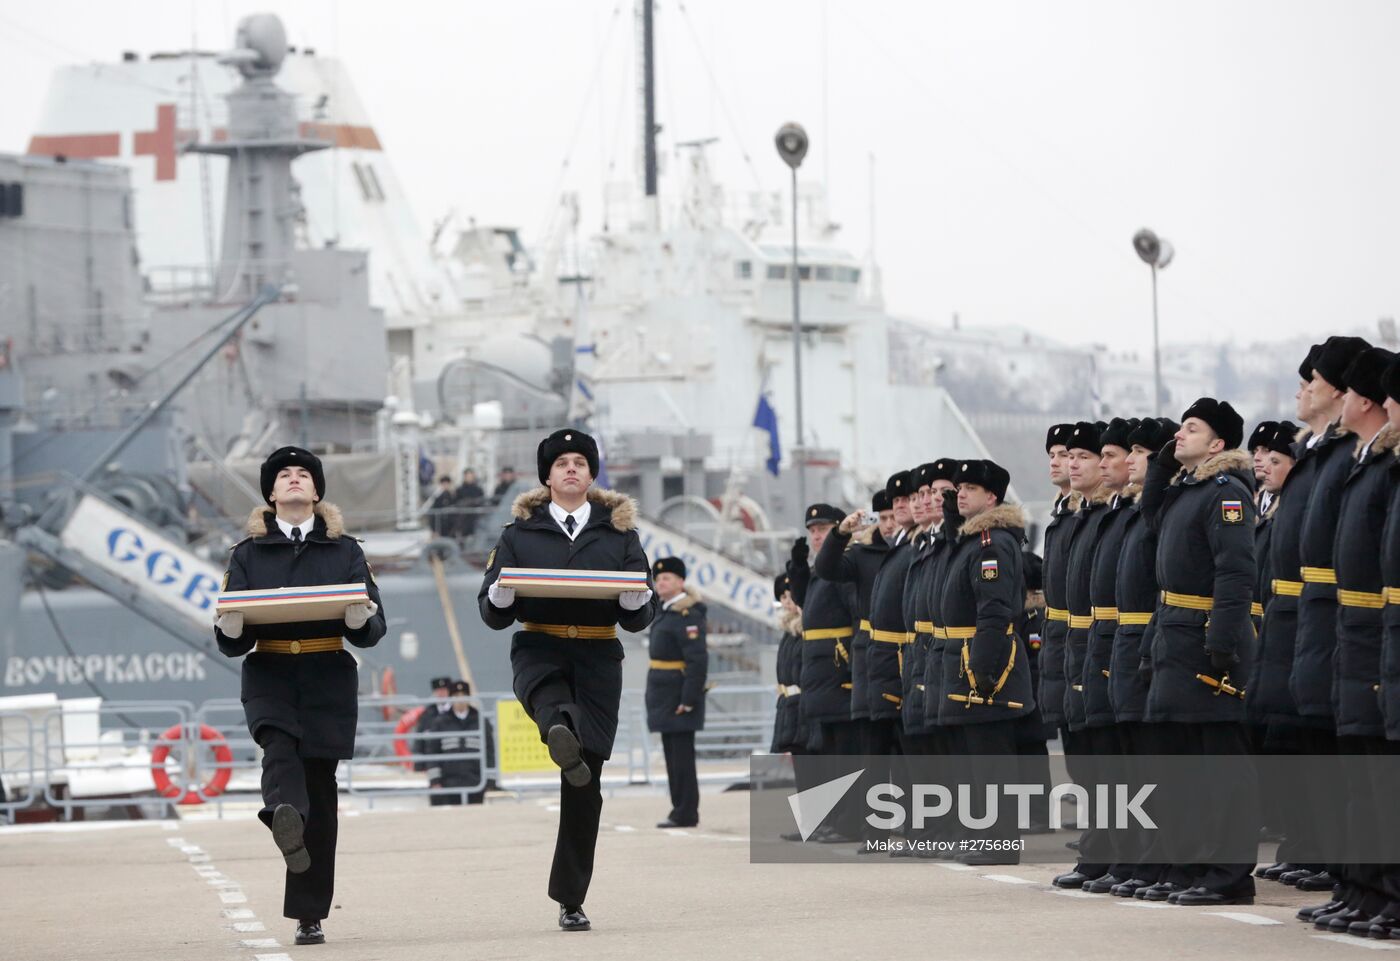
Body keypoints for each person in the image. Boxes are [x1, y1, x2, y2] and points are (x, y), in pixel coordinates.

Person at [478, 428, 657, 932]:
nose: (571, 469)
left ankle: (571, 898)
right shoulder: (518, 535)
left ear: (592, 473)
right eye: (561, 463)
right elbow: (491, 613)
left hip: (599, 655)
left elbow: (639, 617)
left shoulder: (621, 536)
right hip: (541, 645)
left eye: (580, 461)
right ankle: (561, 729)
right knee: (551, 703)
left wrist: (638, 602)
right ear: (548, 477)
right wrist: (500, 597)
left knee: (586, 782)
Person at [215, 446, 386, 947]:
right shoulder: (246, 554)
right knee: (277, 744)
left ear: (316, 492)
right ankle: (282, 813)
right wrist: (228, 626)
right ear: (271, 493)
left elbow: (373, 628)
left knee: (321, 793)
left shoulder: (347, 552)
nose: (294, 480)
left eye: (303, 475)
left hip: (326, 674)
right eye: (284, 475)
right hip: (269, 670)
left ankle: (308, 914)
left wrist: (362, 618)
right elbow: (232, 641)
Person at [1139, 397, 1257, 906]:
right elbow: (1150, 518)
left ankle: (1229, 872)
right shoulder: (1185, 490)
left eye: (1191, 428)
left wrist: (1222, 644)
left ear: (1218, 444)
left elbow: (1235, 573)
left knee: (1219, 767)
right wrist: (1162, 465)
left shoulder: (1226, 493)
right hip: (1174, 634)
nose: (1179, 435)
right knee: (1180, 763)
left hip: (1206, 638)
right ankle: (1190, 864)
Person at [934, 458, 1034, 865]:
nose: (960, 494)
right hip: (964, 659)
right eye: (959, 489)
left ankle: (1000, 841)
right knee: (974, 759)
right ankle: (985, 834)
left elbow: (993, 612)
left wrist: (983, 669)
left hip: (983, 663)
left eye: (970, 489)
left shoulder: (993, 543)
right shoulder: (972, 541)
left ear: (991, 497)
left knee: (991, 760)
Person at [788, 503, 862, 842]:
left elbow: (854, 617)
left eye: (824, 529)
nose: (817, 535)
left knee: (846, 752)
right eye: (813, 530)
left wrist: (850, 666)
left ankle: (849, 821)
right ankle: (833, 818)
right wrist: (798, 569)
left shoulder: (844, 566)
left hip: (838, 670)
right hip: (819, 672)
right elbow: (810, 608)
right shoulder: (820, 570)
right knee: (828, 751)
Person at [645, 556, 709, 829]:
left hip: (678, 695)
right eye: (658, 579)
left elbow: (697, 661)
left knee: (682, 757)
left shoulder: (687, 615)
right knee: (672, 756)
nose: (661, 582)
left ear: (681, 582)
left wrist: (689, 699)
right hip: (663, 693)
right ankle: (678, 808)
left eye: (667, 578)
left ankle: (686, 811)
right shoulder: (664, 612)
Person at [424, 680, 496, 805]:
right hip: (448, 784)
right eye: (456, 696)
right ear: (451, 698)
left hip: (476, 783)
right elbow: (432, 753)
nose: (460, 699)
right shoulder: (440, 722)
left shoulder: (481, 721)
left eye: (464, 695)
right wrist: (435, 781)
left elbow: (490, 752)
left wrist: (490, 782)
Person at [412, 676, 453, 773]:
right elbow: (419, 740)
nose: (441, 694)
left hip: (453, 762)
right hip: (432, 763)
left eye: (444, 690)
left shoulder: (456, 713)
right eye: (438, 691)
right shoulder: (427, 714)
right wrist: (418, 767)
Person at [455, 468, 486, 537]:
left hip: (475, 518)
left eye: (471, 476)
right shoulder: (460, 490)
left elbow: (482, 501)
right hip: (463, 518)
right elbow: (456, 502)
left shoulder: (478, 489)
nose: (469, 478)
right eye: (467, 476)